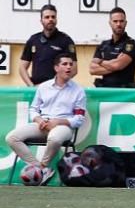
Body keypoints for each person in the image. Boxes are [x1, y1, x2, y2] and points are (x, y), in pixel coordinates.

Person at [6, 54, 87, 186]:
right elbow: (33, 109)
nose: (69, 67)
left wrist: (58, 122)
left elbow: (79, 119)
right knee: (12, 137)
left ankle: (42, 167)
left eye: (71, 64)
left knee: (54, 138)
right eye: (65, 64)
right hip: (42, 124)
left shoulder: (78, 91)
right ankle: (41, 169)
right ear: (56, 68)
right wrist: (38, 120)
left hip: (63, 127)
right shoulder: (44, 87)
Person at [18, 4, 76, 86]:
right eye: (47, 17)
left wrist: (54, 85)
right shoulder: (33, 40)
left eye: (53, 17)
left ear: (56, 19)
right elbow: (22, 68)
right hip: (36, 89)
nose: (50, 19)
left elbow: (73, 70)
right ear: (41, 20)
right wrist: (31, 86)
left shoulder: (66, 40)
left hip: (57, 90)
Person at [89, 7, 135, 87]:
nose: (118, 24)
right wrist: (114, 66)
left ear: (125, 23)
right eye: (115, 21)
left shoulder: (131, 44)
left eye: (121, 21)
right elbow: (92, 70)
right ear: (110, 23)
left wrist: (100, 62)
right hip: (106, 92)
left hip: (125, 93)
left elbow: (117, 65)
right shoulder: (103, 45)